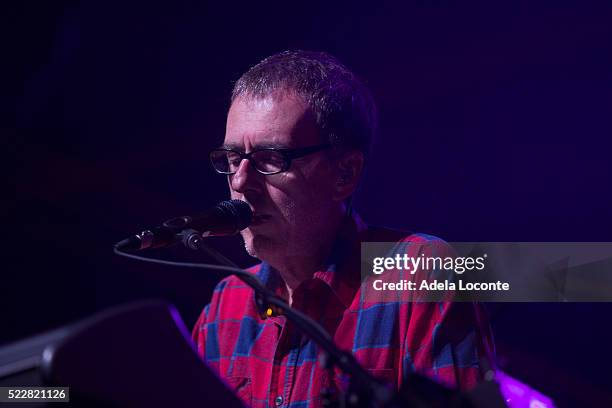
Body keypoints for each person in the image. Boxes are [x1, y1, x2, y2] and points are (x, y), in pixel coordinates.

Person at [192, 50, 493, 408]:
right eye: (231, 159)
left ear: (345, 173)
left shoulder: (420, 273)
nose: (241, 182)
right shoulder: (226, 305)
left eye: (271, 159)